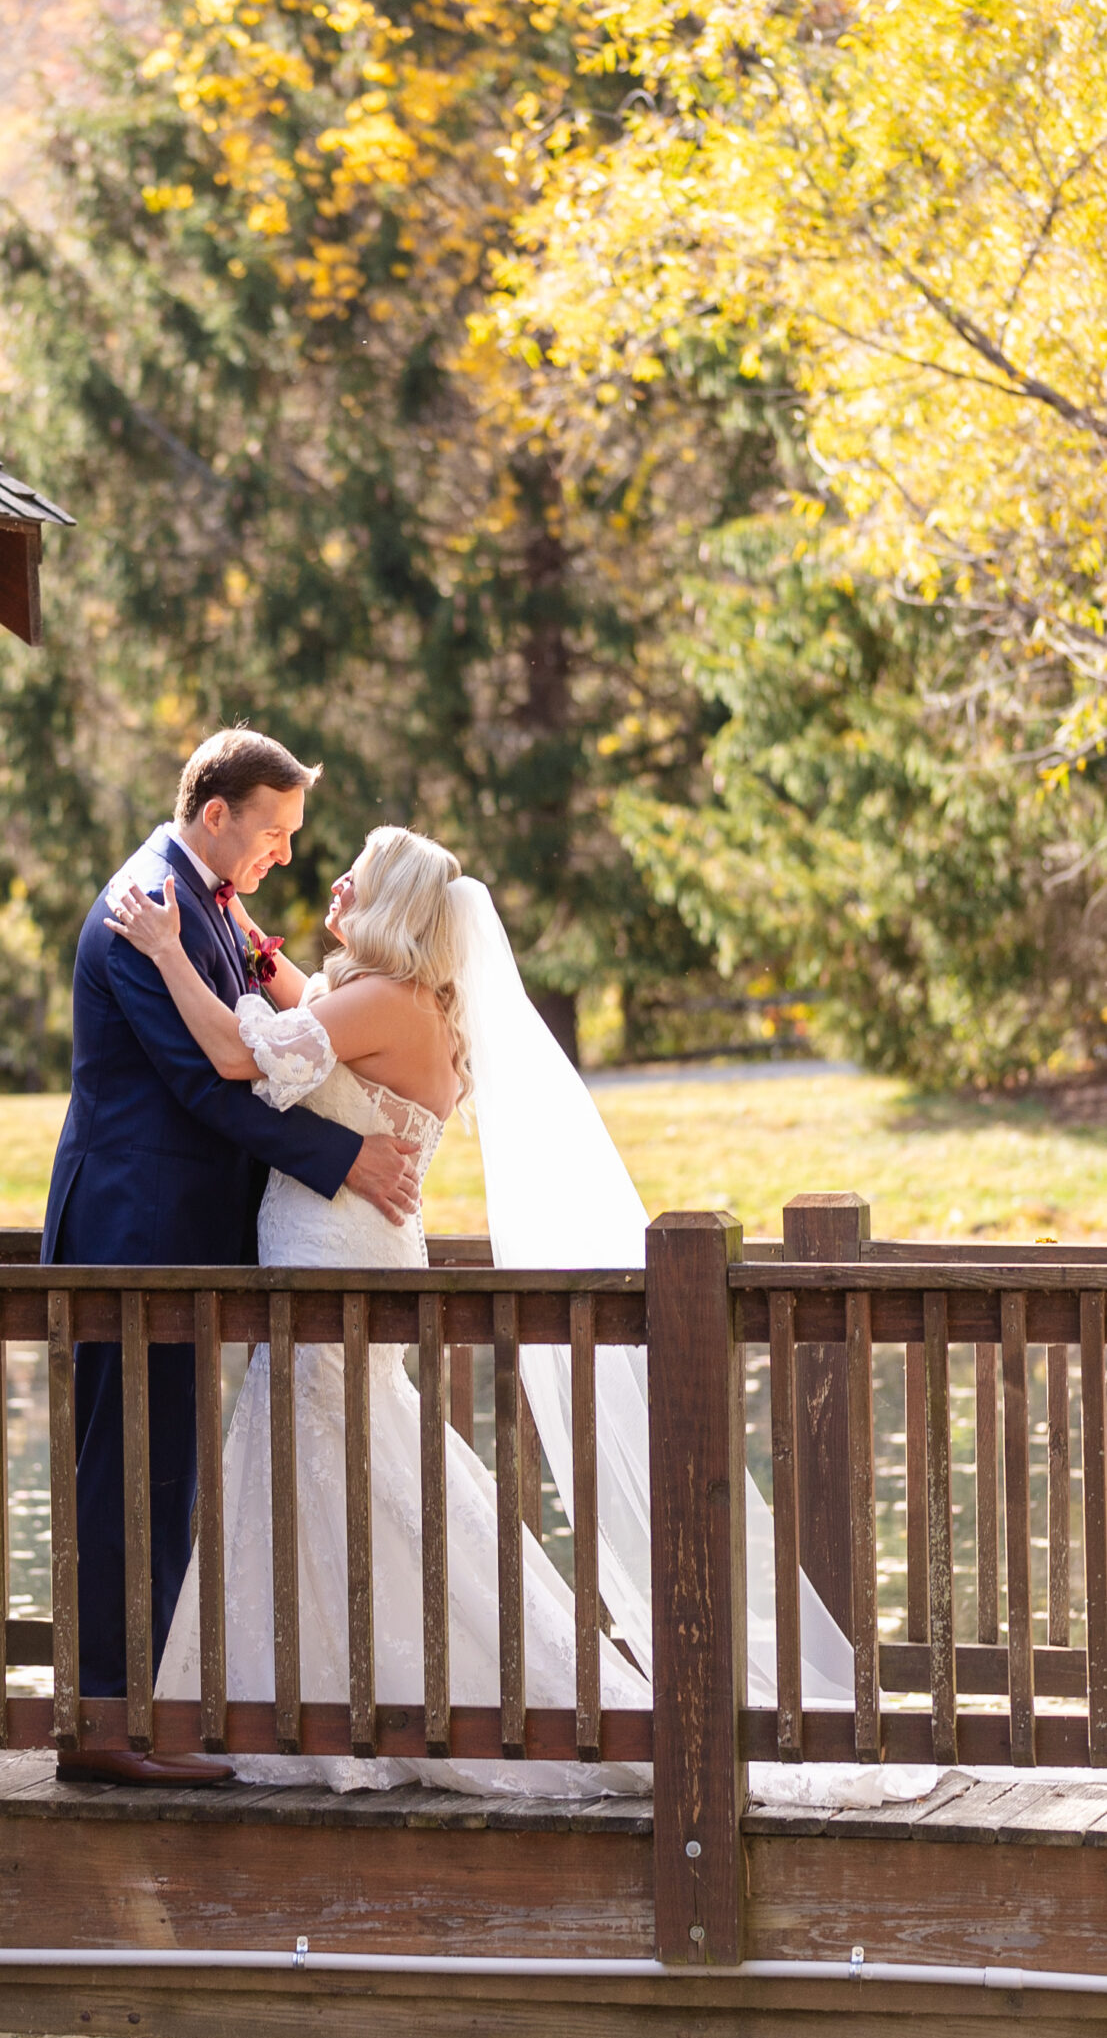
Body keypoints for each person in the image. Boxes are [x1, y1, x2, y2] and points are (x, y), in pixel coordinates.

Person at [106, 823, 861, 1796]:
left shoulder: (383, 1003)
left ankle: (332, 1705)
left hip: (335, 1254)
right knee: (334, 1470)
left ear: (393, 908)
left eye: (358, 875)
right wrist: (238, 924)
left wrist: (169, 948)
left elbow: (233, 1047)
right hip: (341, 1248)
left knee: (329, 1462)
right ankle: (314, 1697)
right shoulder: (393, 1002)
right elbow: (296, 1000)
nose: (336, 881)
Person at [42, 729, 420, 1787]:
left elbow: (268, 1019)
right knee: (130, 1476)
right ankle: (105, 1728)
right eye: (276, 830)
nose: (287, 854)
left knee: (165, 1474)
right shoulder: (140, 914)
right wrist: (346, 1158)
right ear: (218, 814)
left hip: (177, 1239)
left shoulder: (203, 902)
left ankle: (140, 1707)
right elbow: (210, 1084)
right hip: (134, 1237)